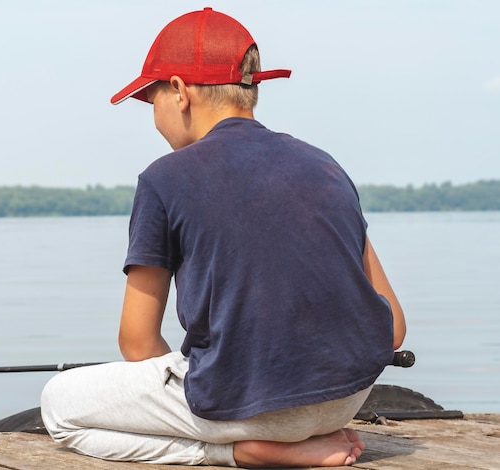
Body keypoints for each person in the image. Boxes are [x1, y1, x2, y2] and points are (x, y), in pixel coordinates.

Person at [41, 7, 406, 468]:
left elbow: (136, 343)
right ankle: (273, 436)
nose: (153, 115)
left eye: (151, 98)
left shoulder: (163, 179)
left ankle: (232, 451)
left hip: (245, 412)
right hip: (345, 399)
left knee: (59, 405)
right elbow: (392, 328)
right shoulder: (325, 164)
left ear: (178, 92)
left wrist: (203, 386)